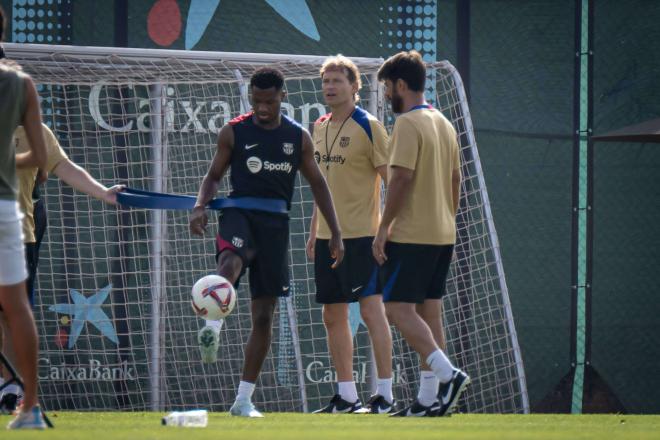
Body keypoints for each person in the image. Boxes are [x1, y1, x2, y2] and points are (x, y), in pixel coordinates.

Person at [189, 67, 344, 417]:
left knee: (263, 316)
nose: (262, 108)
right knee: (230, 262)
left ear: (282, 97)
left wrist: (335, 231)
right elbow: (213, 176)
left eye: (269, 101)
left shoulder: (298, 137)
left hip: (276, 226)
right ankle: (212, 323)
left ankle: (243, 401)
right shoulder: (234, 131)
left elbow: (319, 184)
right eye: (256, 101)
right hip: (239, 214)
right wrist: (200, 207)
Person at [0, 123, 123, 413]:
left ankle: (14, 391)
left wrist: (103, 192)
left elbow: (64, 167)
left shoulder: (36, 132)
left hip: (19, 237)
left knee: (10, 314)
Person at [373, 51, 470, 417]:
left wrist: (383, 228)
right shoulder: (443, 122)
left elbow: (401, 178)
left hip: (412, 234)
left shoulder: (408, 124)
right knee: (429, 314)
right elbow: (456, 180)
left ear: (400, 85)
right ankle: (429, 401)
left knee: (396, 308)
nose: (385, 95)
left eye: (386, 87)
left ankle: (449, 375)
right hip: (443, 233)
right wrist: (446, 216)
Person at [306, 55, 394, 414]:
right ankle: (346, 396)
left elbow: (394, 182)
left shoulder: (369, 126)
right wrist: (314, 231)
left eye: (337, 81)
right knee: (332, 315)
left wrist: (385, 231)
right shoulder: (319, 125)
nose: (329, 87)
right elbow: (320, 187)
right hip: (329, 237)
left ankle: (385, 395)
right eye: (326, 81)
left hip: (361, 237)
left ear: (355, 86)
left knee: (372, 311)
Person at [0, 6, 49, 429]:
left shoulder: (17, 83)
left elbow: (44, 158)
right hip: (5, 209)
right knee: (16, 307)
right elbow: (36, 156)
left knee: (15, 307)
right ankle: (28, 407)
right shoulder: (21, 84)